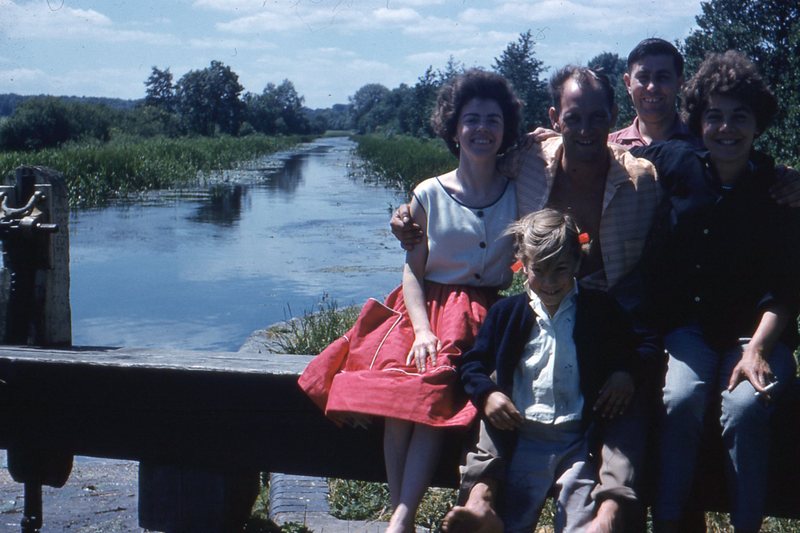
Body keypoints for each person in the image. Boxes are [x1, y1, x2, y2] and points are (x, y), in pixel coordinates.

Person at [435, 66, 662, 533]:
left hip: (603, 319)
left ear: (613, 117)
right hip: (536, 315)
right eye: (573, 117)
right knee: (504, 378)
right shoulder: (526, 159)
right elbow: (469, 178)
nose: (585, 130)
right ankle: (481, 499)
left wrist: (776, 177)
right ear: (555, 117)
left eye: (597, 118)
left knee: (621, 401)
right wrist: (414, 215)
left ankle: (608, 511)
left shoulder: (643, 179)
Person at [298, 68, 522, 533]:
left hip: (482, 314)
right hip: (422, 309)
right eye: (472, 119)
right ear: (454, 128)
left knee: (431, 387)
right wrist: (421, 329)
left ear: (506, 130)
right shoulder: (428, 193)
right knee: (401, 389)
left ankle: (400, 517)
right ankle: (401, 516)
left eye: (493, 120)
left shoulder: (518, 191)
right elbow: (413, 270)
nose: (482, 129)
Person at [632, 50, 800, 533]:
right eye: (715, 117)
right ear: (699, 122)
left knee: (747, 406)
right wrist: (548, 140)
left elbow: (785, 289)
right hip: (689, 332)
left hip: (758, 336)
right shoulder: (678, 161)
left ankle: (746, 526)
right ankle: (668, 523)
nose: (727, 128)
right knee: (681, 401)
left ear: (758, 124)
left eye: (739, 117)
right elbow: (614, 153)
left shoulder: (777, 190)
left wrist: (758, 351)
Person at [457, 208, 640, 533]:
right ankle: (483, 511)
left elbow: (630, 348)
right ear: (521, 265)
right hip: (525, 437)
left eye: (560, 270)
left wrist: (623, 371)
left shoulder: (600, 309)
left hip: (577, 442)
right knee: (513, 521)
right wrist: (487, 395)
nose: (550, 282)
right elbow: (471, 364)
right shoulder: (506, 313)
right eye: (539, 271)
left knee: (577, 521)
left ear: (577, 264)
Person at [608, 37, 694, 147]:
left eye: (662, 77)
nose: (652, 87)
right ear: (628, 83)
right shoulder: (609, 149)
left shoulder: (704, 145)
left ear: (679, 83)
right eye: (643, 77)